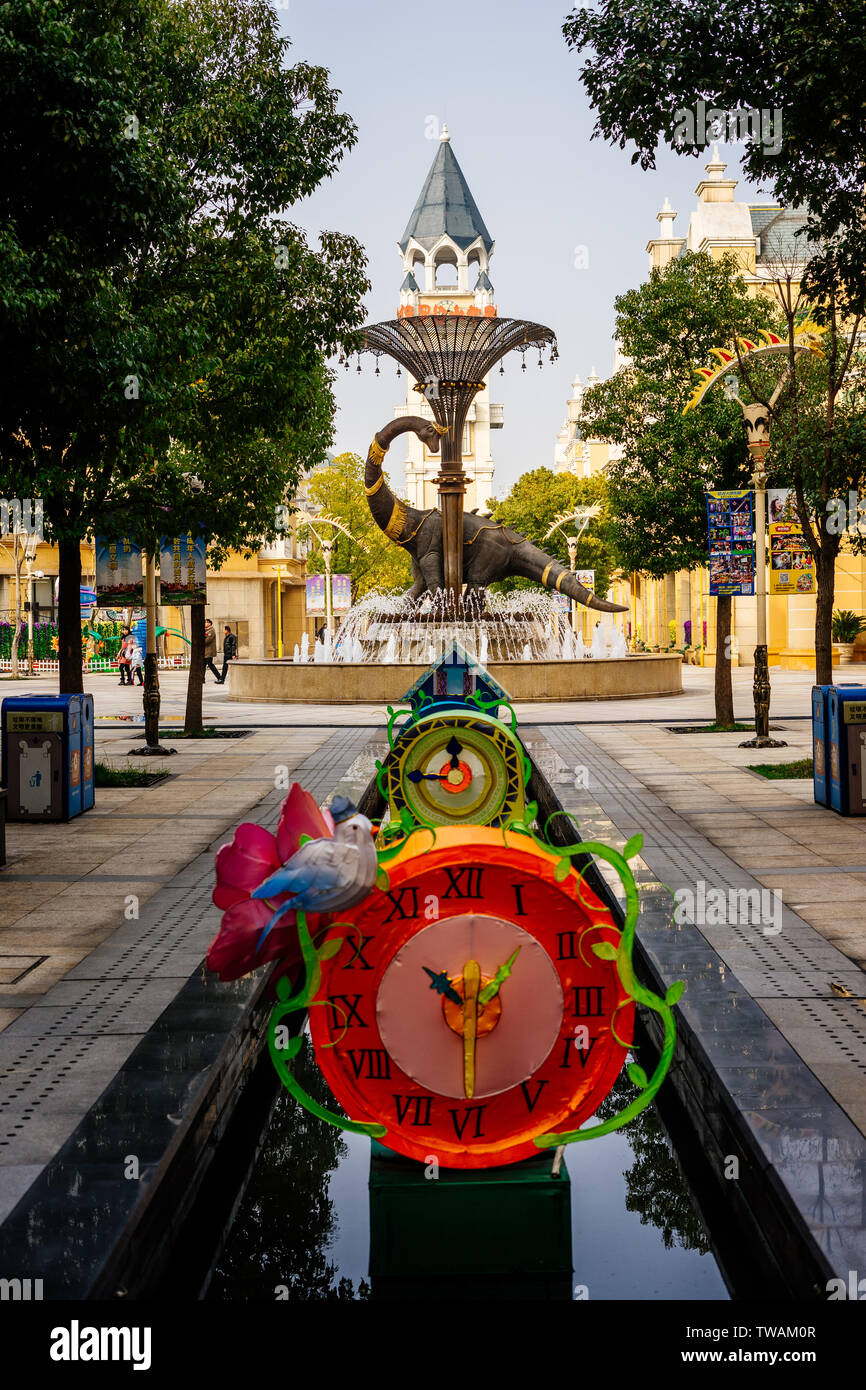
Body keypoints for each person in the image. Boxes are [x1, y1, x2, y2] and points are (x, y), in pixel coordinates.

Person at [203, 618, 221, 682]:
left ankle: (219, 677)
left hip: (209, 651)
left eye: (206, 622)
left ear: (209, 623)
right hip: (205, 651)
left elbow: (207, 640)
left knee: (210, 665)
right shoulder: (205, 630)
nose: (205, 624)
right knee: (203, 665)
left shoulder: (211, 630)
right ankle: (202, 679)